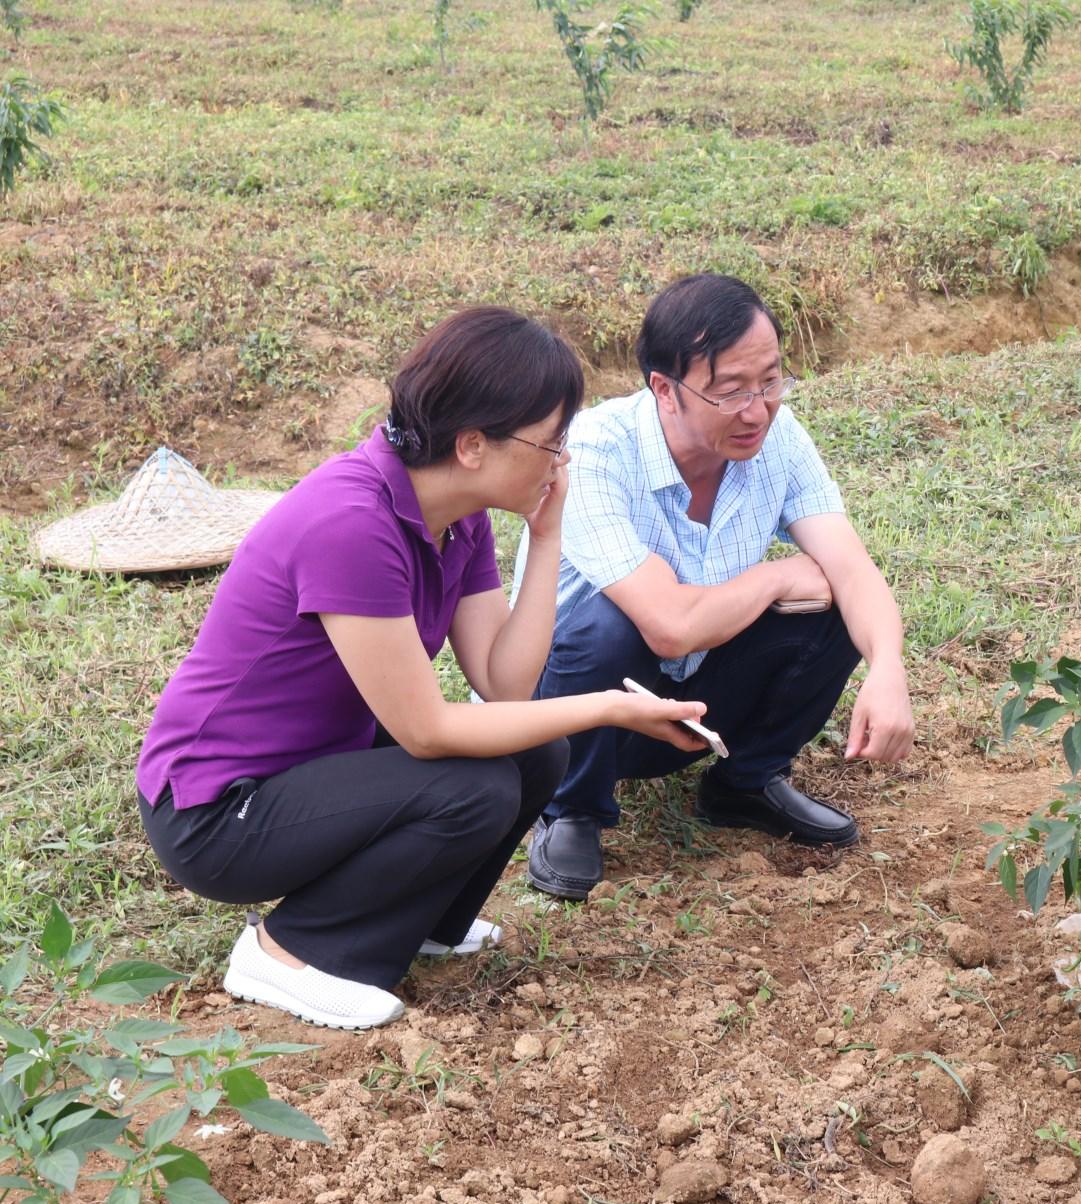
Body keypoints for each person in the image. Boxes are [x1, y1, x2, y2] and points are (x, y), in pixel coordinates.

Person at [135, 308, 712, 1030]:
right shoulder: (351, 522)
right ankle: (290, 951)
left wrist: (549, 529)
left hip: (316, 767)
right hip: (217, 813)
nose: (562, 461)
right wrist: (608, 706)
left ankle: (431, 920)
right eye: (552, 443)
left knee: (535, 750)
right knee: (468, 787)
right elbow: (428, 731)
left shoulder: (455, 514)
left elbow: (505, 684)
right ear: (473, 445)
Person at [525, 273, 915, 901]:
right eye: (731, 391)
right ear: (665, 390)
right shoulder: (597, 451)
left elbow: (852, 567)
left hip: (694, 708)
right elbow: (668, 626)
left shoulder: (777, 438)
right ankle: (571, 809)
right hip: (576, 714)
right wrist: (777, 575)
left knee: (837, 607)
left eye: (771, 382)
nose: (758, 410)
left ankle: (747, 780)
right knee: (608, 624)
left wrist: (888, 667)